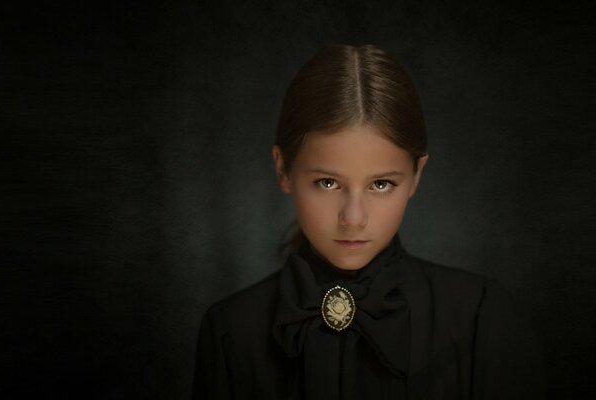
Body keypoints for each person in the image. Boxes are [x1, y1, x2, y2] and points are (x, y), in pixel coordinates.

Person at [193, 44, 543, 399]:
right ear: (283, 168)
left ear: (417, 174)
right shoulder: (229, 331)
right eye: (327, 183)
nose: (353, 218)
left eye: (381, 184)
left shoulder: (481, 316)